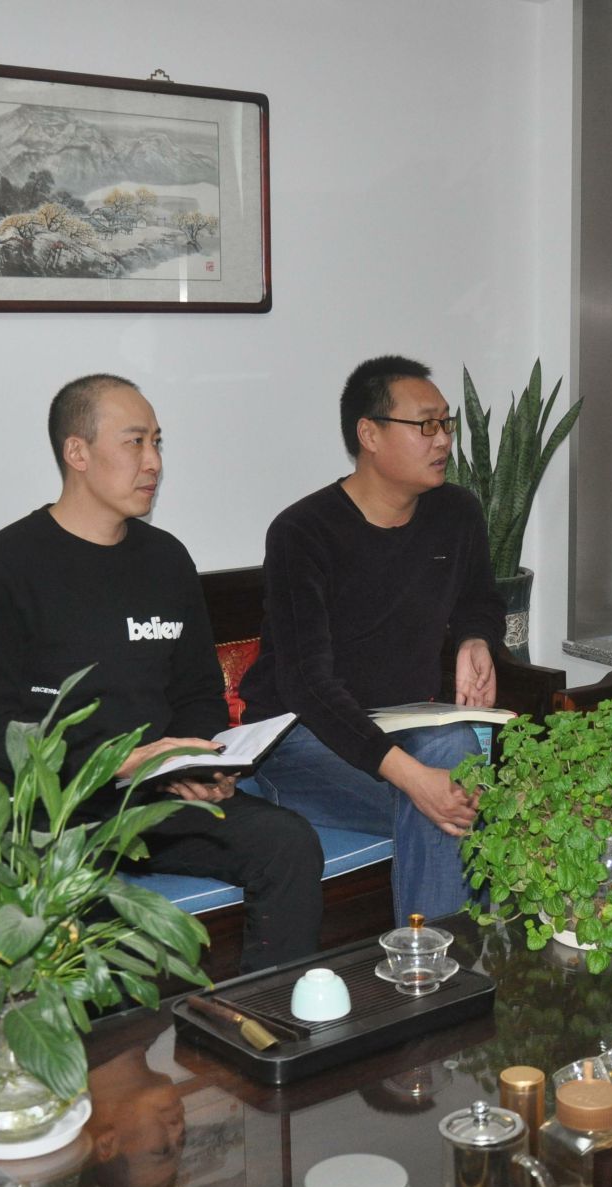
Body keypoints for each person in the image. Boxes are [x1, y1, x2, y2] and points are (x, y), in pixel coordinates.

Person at [0, 374, 322, 971]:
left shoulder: (166, 559)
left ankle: (265, 1016)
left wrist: (196, 766)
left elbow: (198, 691)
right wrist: (117, 763)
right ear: (77, 452)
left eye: (157, 442)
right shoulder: (4, 566)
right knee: (87, 914)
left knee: (288, 842)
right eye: (134, 442)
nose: (153, 462)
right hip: (55, 817)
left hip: (156, 800)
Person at [237, 355, 506, 923]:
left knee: (452, 763)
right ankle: (457, 961)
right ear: (370, 434)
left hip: (407, 723)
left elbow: (480, 600)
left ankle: (437, 963)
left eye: (447, 422)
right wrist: (413, 779)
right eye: (425, 425)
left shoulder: (456, 514)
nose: (444, 439)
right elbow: (306, 685)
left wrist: (475, 640)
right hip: (299, 737)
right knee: (454, 801)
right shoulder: (303, 532)